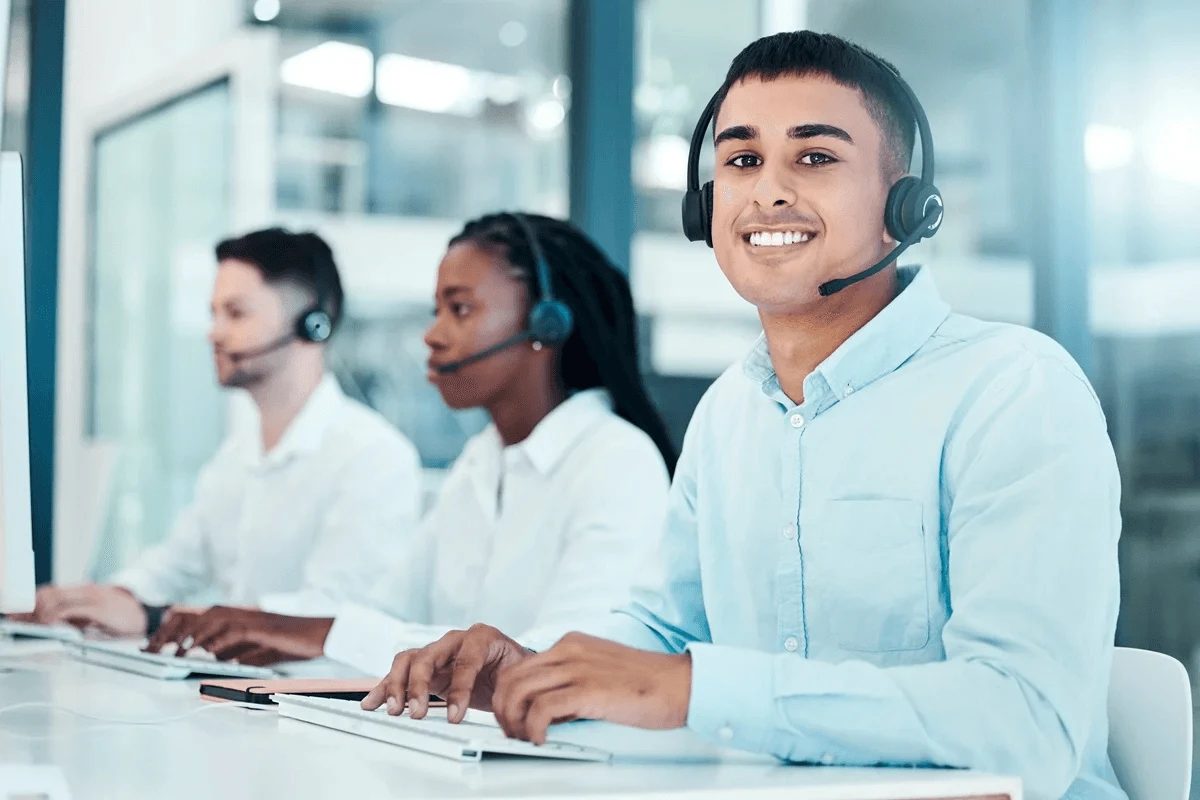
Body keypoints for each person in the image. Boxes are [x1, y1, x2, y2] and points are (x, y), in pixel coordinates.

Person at [363, 33, 1126, 800]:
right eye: (742, 160)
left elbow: (1025, 723)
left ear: (906, 207)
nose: (768, 193)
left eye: (816, 158)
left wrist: (698, 690)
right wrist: (537, 667)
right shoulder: (730, 412)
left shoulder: (1014, 392)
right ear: (706, 207)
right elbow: (667, 630)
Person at [140, 212, 677, 672]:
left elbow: (563, 662)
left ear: (546, 324)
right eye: (435, 311)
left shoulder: (616, 461)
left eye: (460, 309)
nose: (432, 334)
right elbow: (382, 611)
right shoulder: (479, 463)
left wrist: (320, 634)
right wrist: (276, 628)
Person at [24, 228, 422, 642]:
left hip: (311, 697)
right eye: (214, 313)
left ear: (313, 324)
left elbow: (327, 616)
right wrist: (96, 601)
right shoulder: (237, 454)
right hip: (237, 688)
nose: (213, 332)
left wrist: (153, 617)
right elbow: (176, 562)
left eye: (236, 313)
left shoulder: (373, 456)